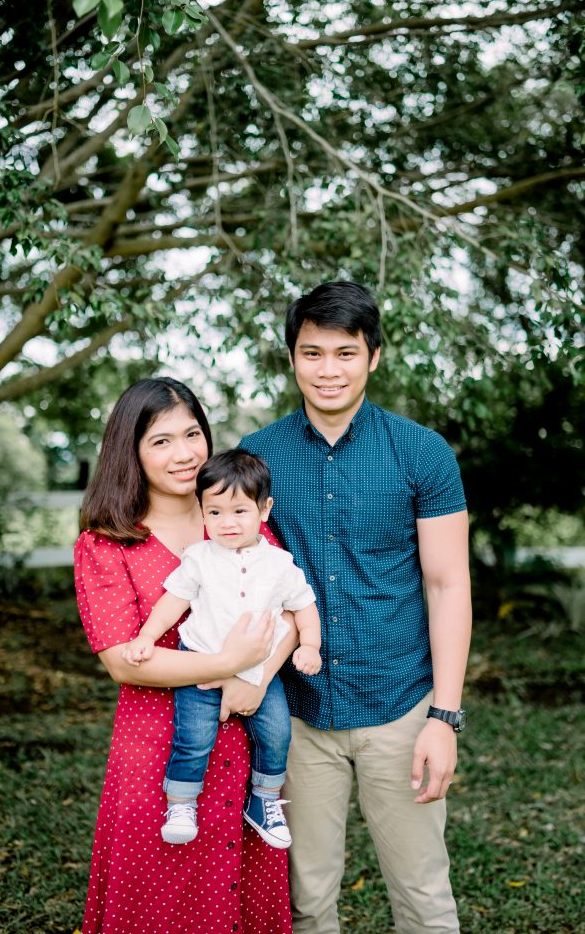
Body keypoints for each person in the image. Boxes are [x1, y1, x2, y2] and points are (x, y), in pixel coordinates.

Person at [240, 281, 472, 934]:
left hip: (400, 707)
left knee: (422, 899)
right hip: (297, 718)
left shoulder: (421, 453)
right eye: (311, 353)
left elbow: (447, 584)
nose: (328, 370)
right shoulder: (256, 459)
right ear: (291, 357)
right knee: (305, 903)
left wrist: (443, 718)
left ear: (373, 356)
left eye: (345, 353)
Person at [74, 377, 295, 934]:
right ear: (132, 452)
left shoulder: (232, 517)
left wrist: (257, 676)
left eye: (192, 433)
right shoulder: (106, 542)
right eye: (161, 441)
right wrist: (226, 667)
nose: (184, 453)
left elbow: (289, 611)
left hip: (245, 740)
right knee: (161, 899)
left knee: (237, 892)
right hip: (156, 751)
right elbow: (125, 660)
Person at [123, 448, 322, 850]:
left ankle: (264, 799)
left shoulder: (280, 563)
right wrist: (146, 636)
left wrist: (312, 646)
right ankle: (181, 803)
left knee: (277, 733)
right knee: (193, 737)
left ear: (264, 510)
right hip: (198, 665)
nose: (226, 523)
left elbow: (304, 606)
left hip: (258, 672)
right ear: (201, 511)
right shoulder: (198, 558)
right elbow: (173, 602)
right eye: (214, 513)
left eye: (239, 512)